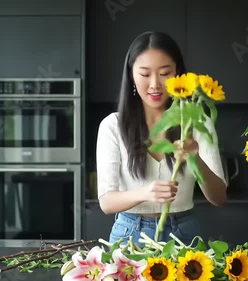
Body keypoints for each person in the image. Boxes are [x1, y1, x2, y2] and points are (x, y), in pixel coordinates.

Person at [96, 31, 227, 246]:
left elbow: (219, 197)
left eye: (165, 73)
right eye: (145, 74)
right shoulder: (112, 126)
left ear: (178, 74)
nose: (155, 84)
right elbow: (107, 202)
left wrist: (195, 160)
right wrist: (146, 193)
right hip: (129, 234)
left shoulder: (197, 122)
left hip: (184, 233)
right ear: (131, 76)